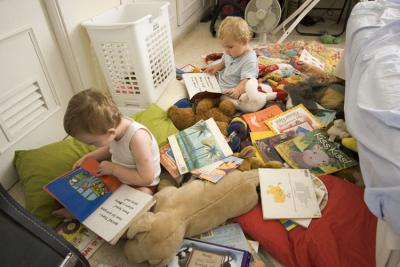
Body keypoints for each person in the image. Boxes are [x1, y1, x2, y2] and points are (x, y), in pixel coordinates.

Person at [63, 89, 161, 195]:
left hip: (142, 184)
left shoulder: (138, 138)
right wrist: (88, 157)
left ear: (111, 133)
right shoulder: (113, 129)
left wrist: (114, 169)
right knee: (90, 189)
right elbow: (111, 149)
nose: (91, 145)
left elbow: (146, 178)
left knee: (143, 194)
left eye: (92, 143)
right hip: (120, 180)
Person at [204, 16, 258, 102]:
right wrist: (217, 67)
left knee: (225, 105)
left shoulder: (250, 60)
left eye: (230, 47)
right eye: (224, 47)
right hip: (219, 84)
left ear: (244, 41)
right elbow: (224, 62)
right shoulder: (230, 52)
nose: (226, 51)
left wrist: (238, 90)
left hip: (230, 92)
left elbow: (247, 81)